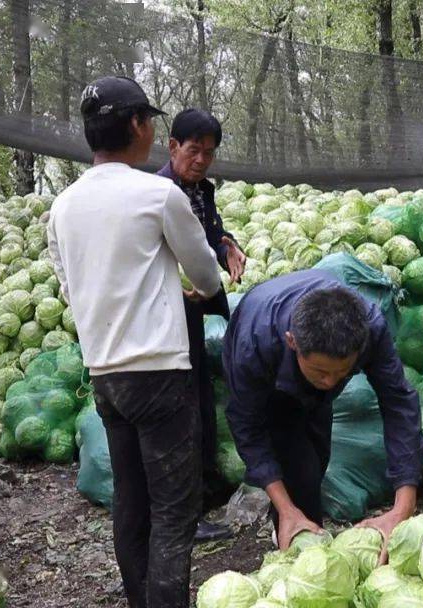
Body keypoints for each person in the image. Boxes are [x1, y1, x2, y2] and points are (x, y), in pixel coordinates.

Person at [47, 76, 222, 608]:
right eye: (150, 120)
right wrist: (189, 282)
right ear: (136, 126)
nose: (151, 129)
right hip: (161, 371)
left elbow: (67, 284)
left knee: (131, 502)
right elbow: (207, 276)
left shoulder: (63, 205)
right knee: (173, 509)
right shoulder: (157, 193)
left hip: (105, 374)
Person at [222, 270, 423, 551]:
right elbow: (246, 424)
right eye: (320, 371)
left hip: (305, 333)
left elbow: (399, 403)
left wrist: (403, 507)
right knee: (292, 454)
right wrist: (286, 505)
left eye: (342, 372)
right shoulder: (255, 344)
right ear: (293, 341)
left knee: (317, 450)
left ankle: (297, 517)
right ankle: (289, 523)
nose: (330, 381)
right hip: (260, 329)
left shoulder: (370, 329)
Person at [156, 109, 245, 542]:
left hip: (200, 310)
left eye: (209, 153)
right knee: (184, 409)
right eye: (193, 151)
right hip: (172, 316)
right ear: (172, 146)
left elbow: (208, 235)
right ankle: (187, 513)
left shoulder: (201, 191)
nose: (201, 160)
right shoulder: (156, 192)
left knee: (202, 402)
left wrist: (229, 247)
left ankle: (205, 493)